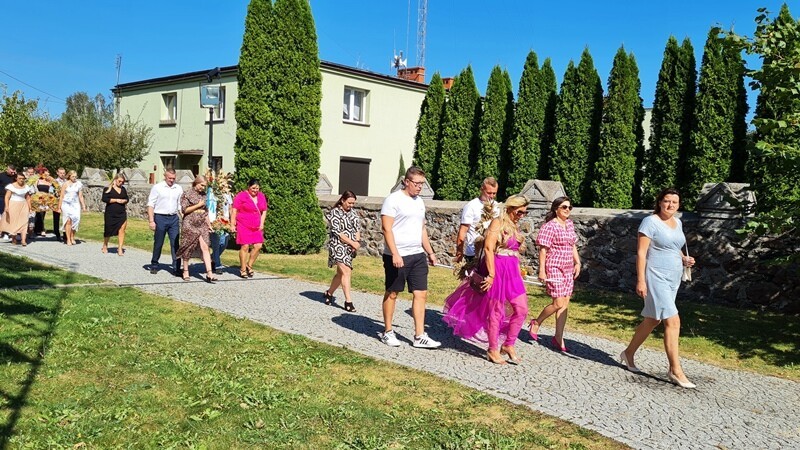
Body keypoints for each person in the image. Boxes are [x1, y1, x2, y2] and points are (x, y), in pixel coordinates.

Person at [620, 188, 697, 389]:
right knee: (673, 320)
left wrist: (684, 259)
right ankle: (675, 370)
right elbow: (641, 253)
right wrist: (641, 280)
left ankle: (628, 353)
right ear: (660, 202)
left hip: (673, 278)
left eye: (674, 202)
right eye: (667, 201)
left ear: (678, 205)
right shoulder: (650, 222)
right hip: (655, 276)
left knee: (653, 319)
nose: (670, 205)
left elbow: (674, 247)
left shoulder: (678, 222)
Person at [442, 195, 530, 364]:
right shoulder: (497, 222)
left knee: (522, 309)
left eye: (525, 212)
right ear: (510, 208)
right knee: (495, 311)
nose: (522, 215)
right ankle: (493, 349)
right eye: (520, 212)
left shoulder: (514, 225)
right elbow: (489, 248)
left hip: (512, 272)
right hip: (497, 269)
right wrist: (491, 274)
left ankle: (509, 344)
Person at [379, 167, 440, 348]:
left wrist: (430, 252)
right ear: (406, 181)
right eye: (417, 183)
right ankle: (388, 332)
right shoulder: (393, 200)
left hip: (417, 255)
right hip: (397, 256)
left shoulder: (419, 202)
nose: (420, 187)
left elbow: (422, 229)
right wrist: (395, 253)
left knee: (421, 294)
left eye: (422, 184)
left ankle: (419, 335)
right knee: (392, 293)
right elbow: (386, 229)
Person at [528, 196, 581, 352]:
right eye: (564, 207)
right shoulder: (549, 226)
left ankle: (558, 337)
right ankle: (537, 322)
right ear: (556, 209)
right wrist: (542, 270)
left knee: (564, 304)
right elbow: (543, 250)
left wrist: (577, 262)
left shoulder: (569, 224)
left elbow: (572, 245)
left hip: (568, 268)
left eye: (569, 207)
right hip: (554, 266)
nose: (567, 210)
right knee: (558, 302)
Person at [323, 191, 361, 312]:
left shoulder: (353, 213)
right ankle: (348, 302)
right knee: (346, 271)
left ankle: (329, 293)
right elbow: (338, 232)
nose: (351, 205)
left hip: (349, 247)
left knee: (340, 274)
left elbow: (357, 228)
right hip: (338, 246)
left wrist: (356, 242)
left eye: (353, 203)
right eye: (349, 203)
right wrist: (352, 243)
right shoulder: (335, 213)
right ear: (342, 200)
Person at [176, 176, 216, 283]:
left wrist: (209, 224)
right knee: (188, 246)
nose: (203, 188)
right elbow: (184, 210)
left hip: (202, 223)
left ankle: (209, 273)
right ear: (196, 183)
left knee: (205, 247)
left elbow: (205, 211)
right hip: (190, 223)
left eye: (205, 186)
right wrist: (198, 205)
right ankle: (185, 270)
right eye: (202, 185)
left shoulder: (204, 195)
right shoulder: (186, 194)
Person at [147, 169, 183, 275]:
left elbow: (180, 205)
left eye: (173, 178)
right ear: (165, 177)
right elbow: (151, 204)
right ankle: (154, 264)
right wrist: (151, 220)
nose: (171, 180)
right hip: (160, 217)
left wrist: (183, 217)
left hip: (173, 218)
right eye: (169, 178)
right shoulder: (157, 187)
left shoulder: (178, 188)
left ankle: (176, 267)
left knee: (175, 243)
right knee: (159, 242)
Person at [455, 177, 498, 263]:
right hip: (473, 252)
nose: (491, 196)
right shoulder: (471, 206)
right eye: (489, 193)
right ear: (482, 189)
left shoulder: (496, 206)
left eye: (494, 193)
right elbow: (463, 231)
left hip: (491, 251)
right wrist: (459, 253)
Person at [231, 179, 268, 279]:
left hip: (256, 225)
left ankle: (249, 265)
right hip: (243, 224)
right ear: (249, 187)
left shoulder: (261, 196)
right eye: (253, 188)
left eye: (257, 188)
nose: (255, 190)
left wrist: (262, 223)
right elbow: (234, 210)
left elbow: (264, 211)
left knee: (258, 246)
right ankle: (243, 269)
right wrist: (232, 224)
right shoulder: (241, 196)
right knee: (245, 246)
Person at [0, 172, 32, 246]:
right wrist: (6, 206)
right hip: (13, 204)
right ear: (16, 178)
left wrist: (30, 208)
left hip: (23, 205)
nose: (21, 180)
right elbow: (7, 197)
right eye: (20, 178)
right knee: (14, 222)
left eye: (23, 179)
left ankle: (23, 240)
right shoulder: (11, 186)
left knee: (24, 222)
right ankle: (14, 238)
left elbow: (28, 198)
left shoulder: (26, 186)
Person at [101, 173, 129, 255]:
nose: (121, 183)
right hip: (110, 213)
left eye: (122, 182)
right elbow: (104, 199)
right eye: (119, 181)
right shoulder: (107, 188)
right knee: (108, 230)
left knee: (122, 229)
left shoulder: (123, 189)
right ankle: (105, 245)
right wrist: (116, 200)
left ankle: (120, 248)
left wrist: (124, 201)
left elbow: (127, 198)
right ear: (115, 180)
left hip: (121, 213)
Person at [57, 170, 86, 246]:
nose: (74, 178)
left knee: (76, 220)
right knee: (68, 220)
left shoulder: (79, 184)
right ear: (69, 176)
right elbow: (61, 196)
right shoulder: (65, 184)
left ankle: (72, 236)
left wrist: (83, 205)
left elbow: (80, 196)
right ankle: (68, 239)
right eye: (73, 176)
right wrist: (59, 207)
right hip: (66, 204)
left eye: (75, 176)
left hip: (75, 204)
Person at [209, 190, 232, 275]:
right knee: (216, 244)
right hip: (214, 221)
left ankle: (213, 258)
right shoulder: (211, 193)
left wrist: (232, 222)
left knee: (224, 243)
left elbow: (230, 208)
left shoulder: (227, 194)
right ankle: (218, 265)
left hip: (225, 222)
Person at [33, 167, 54, 237]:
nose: (48, 174)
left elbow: (51, 191)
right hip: (38, 198)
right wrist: (38, 195)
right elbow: (35, 189)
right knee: (39, 214)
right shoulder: (38, 180)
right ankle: (41, 229)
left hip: (46, 199)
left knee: (43, 214)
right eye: (46, 172)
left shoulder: (49, 182)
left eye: (48, 172)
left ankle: (38, 229)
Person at [0, 164, 17, 242]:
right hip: (2, 197)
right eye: (11, 172)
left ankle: (10, 231)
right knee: (4, 214)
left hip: (12, 198)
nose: (12, 173)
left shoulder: (15, 177)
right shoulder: (1, 176)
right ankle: (4, 232)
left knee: (12, 214)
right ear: (8, 169)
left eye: (14, 172)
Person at [53, 167, 67, 242]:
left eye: (63, 173)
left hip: (65, 201)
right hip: (57, 201)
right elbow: (51, 191)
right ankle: (57, 233)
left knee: (66, 217)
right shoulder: (55, 181)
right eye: (61, 173)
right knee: (56, 218)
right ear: (57, 173)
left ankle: (65, 233)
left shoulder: (67, 181)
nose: (62, 174)